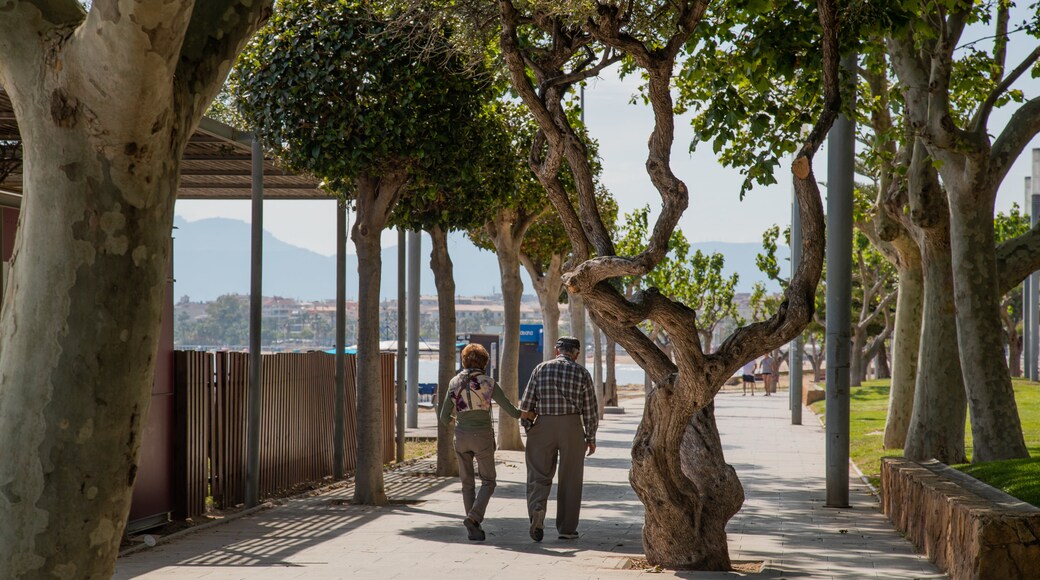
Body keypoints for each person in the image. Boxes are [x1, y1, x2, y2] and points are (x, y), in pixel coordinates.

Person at [438, 343, 535, 541]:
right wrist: (526, 413)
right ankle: (474, 518)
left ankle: (472, 527)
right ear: (484, 362)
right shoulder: (488, 382)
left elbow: (443, 416)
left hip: (461, 436)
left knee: (467, 483)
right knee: (489, 481)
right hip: (481, 436)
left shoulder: (454, 382)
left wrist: (455, 420)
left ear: (464, 360)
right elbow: (510, 409)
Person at [519, 336, 599, 542]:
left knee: (538, 475)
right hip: (572, 428)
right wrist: (590, 437)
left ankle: (537, 512)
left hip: (543, 426)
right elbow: (590, 409)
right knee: (571, 479)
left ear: (557, 350)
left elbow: (526, 403)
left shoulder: (540, 369)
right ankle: (567, 528)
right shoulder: (582, 373)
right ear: (577, 354)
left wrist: (529, 428)